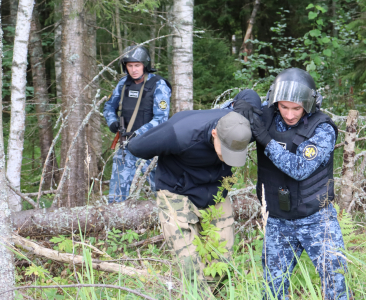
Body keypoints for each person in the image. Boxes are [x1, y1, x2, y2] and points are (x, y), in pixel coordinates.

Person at [127, 94, 257, 288]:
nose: (229, 157)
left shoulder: (242, 129)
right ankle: (196, 292)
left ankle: (212, 292)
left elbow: (249, 95)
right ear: (215, 134)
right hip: (178, 191)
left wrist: (248, 104)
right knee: (189, 262)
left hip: (217, 190)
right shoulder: (180, 133)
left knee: (222, 258)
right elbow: (136, 147)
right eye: (226, 152)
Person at [241, 68, 350, 300]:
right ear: (275, 102)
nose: (289, 114)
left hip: (317, 218)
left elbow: (300, 168)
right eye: (284, 107)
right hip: (278, 219)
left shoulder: (322, 129)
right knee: (273, 290)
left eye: (296, 108)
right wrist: (243, 106)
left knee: (336, 284)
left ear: (309, 104)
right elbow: (227, 120)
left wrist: (266, 141)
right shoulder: (267, 117)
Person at [103, 45, 171, 203]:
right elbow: (108, 106)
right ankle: (116, 224)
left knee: (163, 193)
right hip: (126, 145)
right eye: (130, 66)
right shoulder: (123, 84)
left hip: (152, 146)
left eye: (137, 65)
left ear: (145, 65)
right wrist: (112, 122)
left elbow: (161, 118)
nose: (133, 70)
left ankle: (168, 223)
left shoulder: (158, 85)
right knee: (117, 194)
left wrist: (139, 133)